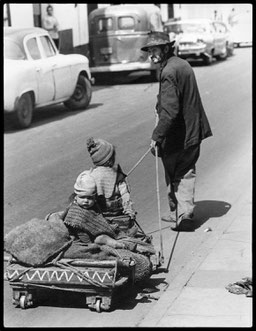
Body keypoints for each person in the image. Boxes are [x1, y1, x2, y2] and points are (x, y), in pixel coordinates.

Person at [141, 31, 213, 231]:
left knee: (175, 174)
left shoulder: (168, 72)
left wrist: (157, 136)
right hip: (193, 132)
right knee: (186, 170)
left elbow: (171, 111)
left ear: (166, 48)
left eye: (154, 50)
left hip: (177, 136)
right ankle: (185, 212)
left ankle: (180, 214)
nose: (151, 55)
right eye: (149, 51)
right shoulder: (183, 65)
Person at [86, 137, 139, 237]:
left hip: (100, 221)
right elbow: (125, 195)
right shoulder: (116, 174)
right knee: (130, 232)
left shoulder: (91, 176)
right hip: (119, 217)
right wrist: (130, 212)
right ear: (110, 159)